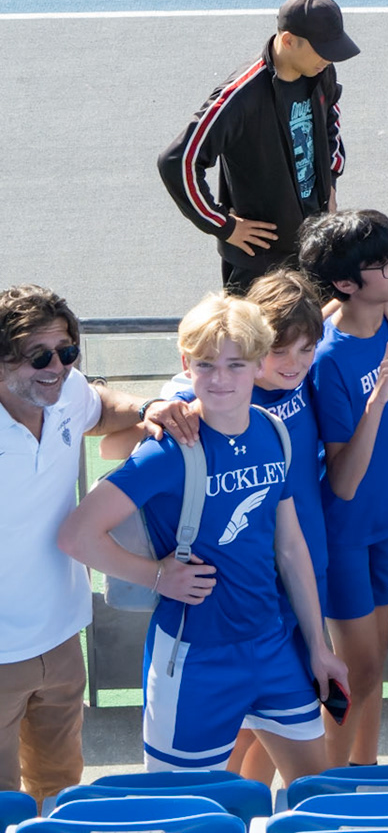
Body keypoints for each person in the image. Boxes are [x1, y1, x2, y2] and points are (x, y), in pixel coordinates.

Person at [58, 294, 349, 776]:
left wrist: (318, 646)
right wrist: (156, 576)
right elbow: (76, 535)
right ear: (185, 364)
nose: (219, 379)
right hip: (193, 660)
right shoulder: (168, 450)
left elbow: (290, 547)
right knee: (187, 808)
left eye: (236, 364)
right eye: (206, 364)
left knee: (312, 792)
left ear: (259, 363)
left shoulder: (273, 432)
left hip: (275, 646)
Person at [0, 286, 177, 800]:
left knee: (59, 786)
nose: (56, 367)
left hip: (61, 638)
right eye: (38, 356)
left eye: (67, 351)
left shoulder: (65, 392)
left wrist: (148, 407)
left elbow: (100, 407)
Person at [155, 270, 331, 784]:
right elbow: (167, 406)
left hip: (296, 583)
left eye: (306, 350)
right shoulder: (213, 400)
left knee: (270, 728)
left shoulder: (293, 380)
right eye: (280, 350)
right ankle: (234, 803)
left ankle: (251, 803)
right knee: (235, 738)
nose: (294, 361)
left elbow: (323, 318)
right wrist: (154, 408)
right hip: (238, 602)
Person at [300, 210, 388, 767]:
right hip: (346, 533)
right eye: (382, 264)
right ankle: (327, 784)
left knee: (375, 662)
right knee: (358, 670)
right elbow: (344, 481)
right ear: (345, 282)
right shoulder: (329, 360)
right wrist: (376, 398)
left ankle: (366, 772)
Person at [159, 0, 358, 292]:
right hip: (260, 267)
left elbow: (331, 121)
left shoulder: (320, 72)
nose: (329, 59)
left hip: (316, 248)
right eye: (322, 50)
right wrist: (223, 225)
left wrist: (330, 184)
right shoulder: (240, 96)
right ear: (288, 41)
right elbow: (178, 161)